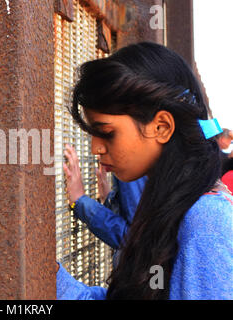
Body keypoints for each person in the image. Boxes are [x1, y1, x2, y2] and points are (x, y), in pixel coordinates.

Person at [59, 42, 233, 300]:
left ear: (162, 127)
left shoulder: (206, 220)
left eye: (107, 133)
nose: (96, 148)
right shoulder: (167, 201)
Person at [68, 160, 146, 265]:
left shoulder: (136, 158)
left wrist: (82, 204)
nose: (97, 150)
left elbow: (138, 239)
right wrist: (110, 202)